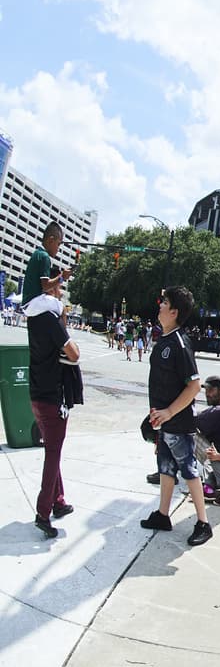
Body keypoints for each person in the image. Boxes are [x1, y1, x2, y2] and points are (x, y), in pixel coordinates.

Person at [140, 286, 213, 547]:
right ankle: (162, 514)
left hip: (179, 423)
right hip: (165, 422)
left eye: (165, 302)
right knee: (166, 469)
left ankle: (203, 523)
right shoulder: (165, 340)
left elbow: (194, 385)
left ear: (174, 312)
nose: (159, 305)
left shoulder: (180, 344)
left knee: (189, 471)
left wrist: (169, 412)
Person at [25, 275, 83, 538]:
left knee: (52, 448)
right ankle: (43, 511)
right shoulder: (50, 319)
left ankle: (58, 501)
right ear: (50, 291)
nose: (61, 292)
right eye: (58, 287)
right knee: (53, 455)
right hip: (53, 398)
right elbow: (74, 353)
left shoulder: (33, 317)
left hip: (37, 394)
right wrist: (63, 322)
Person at [22, 222, 68, 307]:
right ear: (50, 240)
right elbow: (46, 286)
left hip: (27, 302)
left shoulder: (37, 253)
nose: (58, 249)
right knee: (58, 306)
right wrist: (62, 277)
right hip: (34, 303)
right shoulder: (45, 257)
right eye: (58, 244)